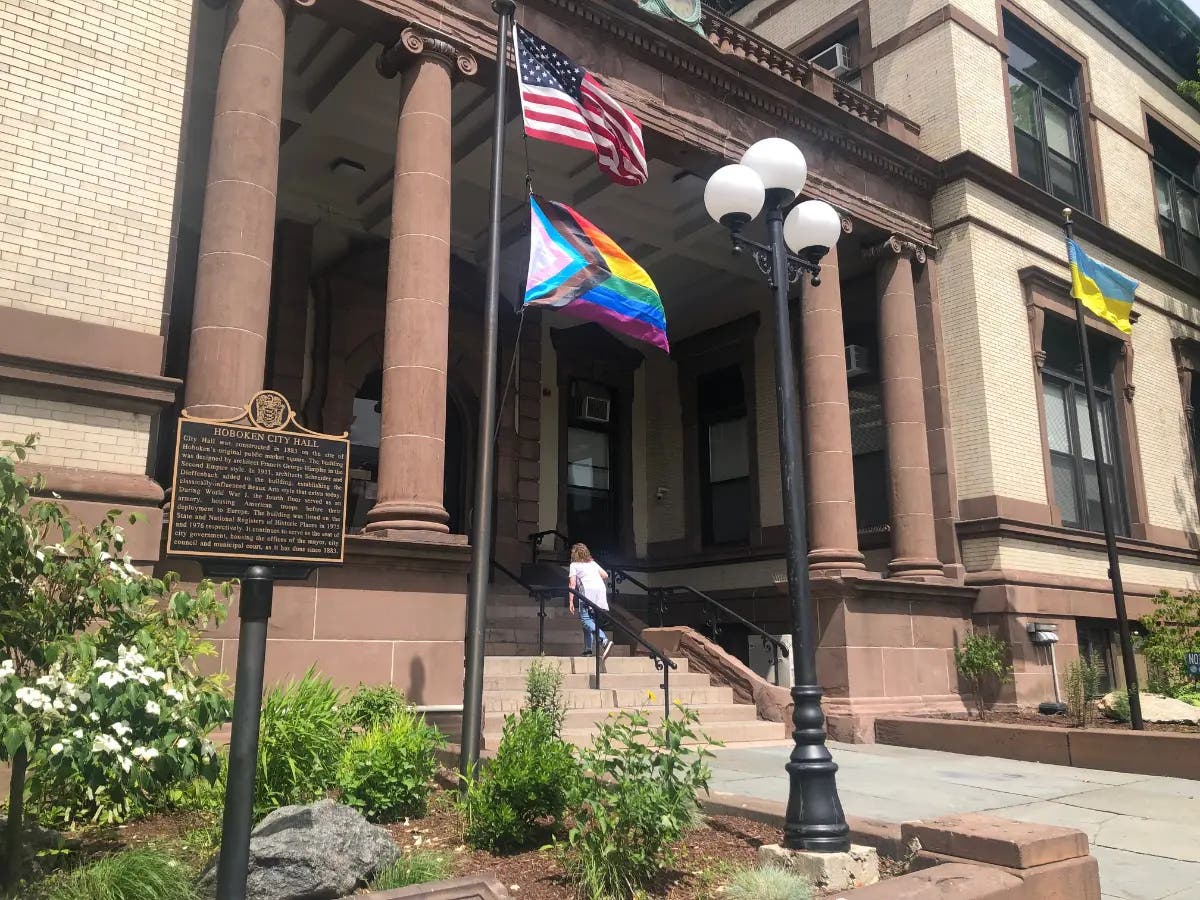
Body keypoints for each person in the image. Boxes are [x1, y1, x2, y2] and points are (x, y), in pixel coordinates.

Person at [568, 542, 613, 659]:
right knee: (590, 619)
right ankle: (588, 649)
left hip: (587, 592)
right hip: (600, 591)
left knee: (585, 619)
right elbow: (605, 575)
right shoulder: (592, 563)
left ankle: (604, 640)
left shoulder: (574, 565)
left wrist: (571, 601)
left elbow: (572, 584)